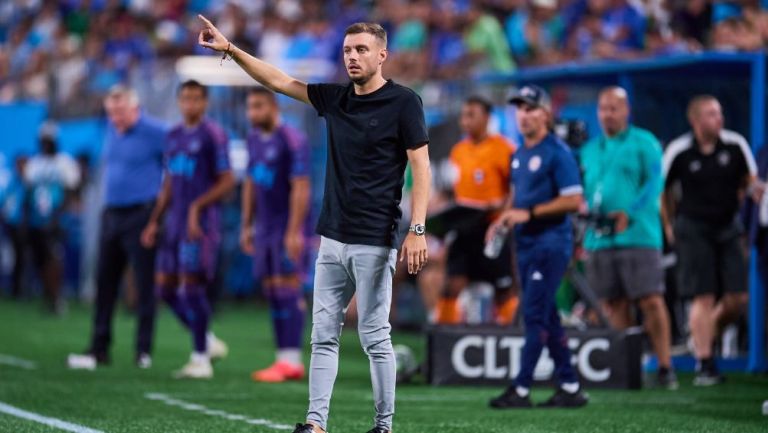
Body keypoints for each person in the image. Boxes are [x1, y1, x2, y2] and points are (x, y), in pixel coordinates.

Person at [198, 16, 430, 433]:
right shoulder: (335, 98)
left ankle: (383, 425)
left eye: (361, 50)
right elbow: (279, 81)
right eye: (346, 50)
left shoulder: (404, 102)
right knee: (323, 336)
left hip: (375, 240)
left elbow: (422, 165)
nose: (352, 57)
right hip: (332, 237)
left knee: (374, 337)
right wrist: (231, 50)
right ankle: (315, 423)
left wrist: (417, 229)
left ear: (382, 55)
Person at [487, 84, 588, 409]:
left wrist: (527, 213)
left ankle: (521, 387)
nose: (524, 114)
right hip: (527, 244)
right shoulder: (519, 154)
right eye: (519, 108)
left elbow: (573, 200)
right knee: (546, 315)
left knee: (533, 314)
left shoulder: (558, 152)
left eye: (530, 108)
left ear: (545, 113)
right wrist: (502, 218)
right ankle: (571, 386)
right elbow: (518, 197)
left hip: (551, 243)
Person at [579, 86, 677, 389]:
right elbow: (583, 190)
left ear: (626, 111)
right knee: (613, 304)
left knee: (650, 299)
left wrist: (629, 213)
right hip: (599, 238)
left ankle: (664, 366)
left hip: (639, 235)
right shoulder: (589, 149)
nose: (607, 114)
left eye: (614, 108)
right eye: (603, 108)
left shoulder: (644, 142)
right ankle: (628, 367)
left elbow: (655, 184)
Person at [662, 95, 762, 386]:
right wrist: (669, 225)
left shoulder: (735, 144)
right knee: (702, 296)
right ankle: (705, 364)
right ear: (695, 120)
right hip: (693, 228)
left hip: (729, 227)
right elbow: (664, 191)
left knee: (738, 298)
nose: (718, 119)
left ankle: (703, 334)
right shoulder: (679, 150)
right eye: (710, 114)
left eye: (719, 113)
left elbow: (750, 183)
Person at [140, 80, 235, 379]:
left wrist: (197, 207)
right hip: (174, 222)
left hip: (201, 225)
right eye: (185, 98)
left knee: (192, 287)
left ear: (205, 103)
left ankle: (200, 360)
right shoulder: (174, 135)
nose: (190, 104)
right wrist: (155, 219)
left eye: (196, 99)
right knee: (165, 289)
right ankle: (206, 341)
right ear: (180, 102)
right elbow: (169, 181)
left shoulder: (213, 135)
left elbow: (228, 181)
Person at [68, 86, 163, 370]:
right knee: (104, 282)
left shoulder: (156, 131)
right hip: (112, 215)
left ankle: (143, 350)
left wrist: (159, 214)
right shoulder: (111, 130)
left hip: (141, 214)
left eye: (120, 112)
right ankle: (99, 347)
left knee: (144, 284)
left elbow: (177, 165)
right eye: (111, 113)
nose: (115, 118)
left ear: (135, 108)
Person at [240, 87, 312, 383]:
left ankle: (293, 359)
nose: (252, 113)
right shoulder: (254, 139)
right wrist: (247, 224)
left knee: (287, 289)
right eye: (250, 107)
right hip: (265, 227)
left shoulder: (292, 139)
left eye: (258, 106)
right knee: (271, 290)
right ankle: (282, 358)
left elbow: (301, 186)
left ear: (272, 106)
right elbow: (250, 182)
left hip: (287, 225)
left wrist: (294, 230)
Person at [434, 95, 519, 325]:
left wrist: (501, 207)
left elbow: (517, 189)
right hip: (464, 228)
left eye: (472, 115)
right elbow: (452, 190)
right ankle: (445, 337)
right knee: (452, 285)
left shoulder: (505, 149)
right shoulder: (458, 151)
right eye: (463, 115)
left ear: (487, 118)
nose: (465, 121)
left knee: (503, 289)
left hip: (494, 229)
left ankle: (511, 338)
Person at [23, 122, 81, 314]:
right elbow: (29, 191)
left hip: (56, 219)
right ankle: (48, 296)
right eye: (43, 140)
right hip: (36, 219)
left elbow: (71, 189)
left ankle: (57, 297)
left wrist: (60, 215)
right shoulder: (34, 163)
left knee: (54, 257)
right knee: (40, 259)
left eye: (49, 140)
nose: (46, 144)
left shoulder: (64, 162)